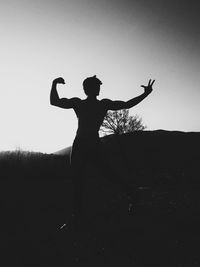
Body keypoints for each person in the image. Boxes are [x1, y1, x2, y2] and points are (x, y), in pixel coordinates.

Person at [50, 75, 154, 229]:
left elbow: (126, 104)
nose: (99, 88)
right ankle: (76, 216)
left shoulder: (99, 104)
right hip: (82, 144)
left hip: (90, 143)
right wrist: (54, 84)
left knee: (105, 174)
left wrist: (145, 94)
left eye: (99, 86)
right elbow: (55, 102)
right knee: (79, 179)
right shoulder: (80, 103)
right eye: (96, 86)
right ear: (87, 88)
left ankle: (132, 194)